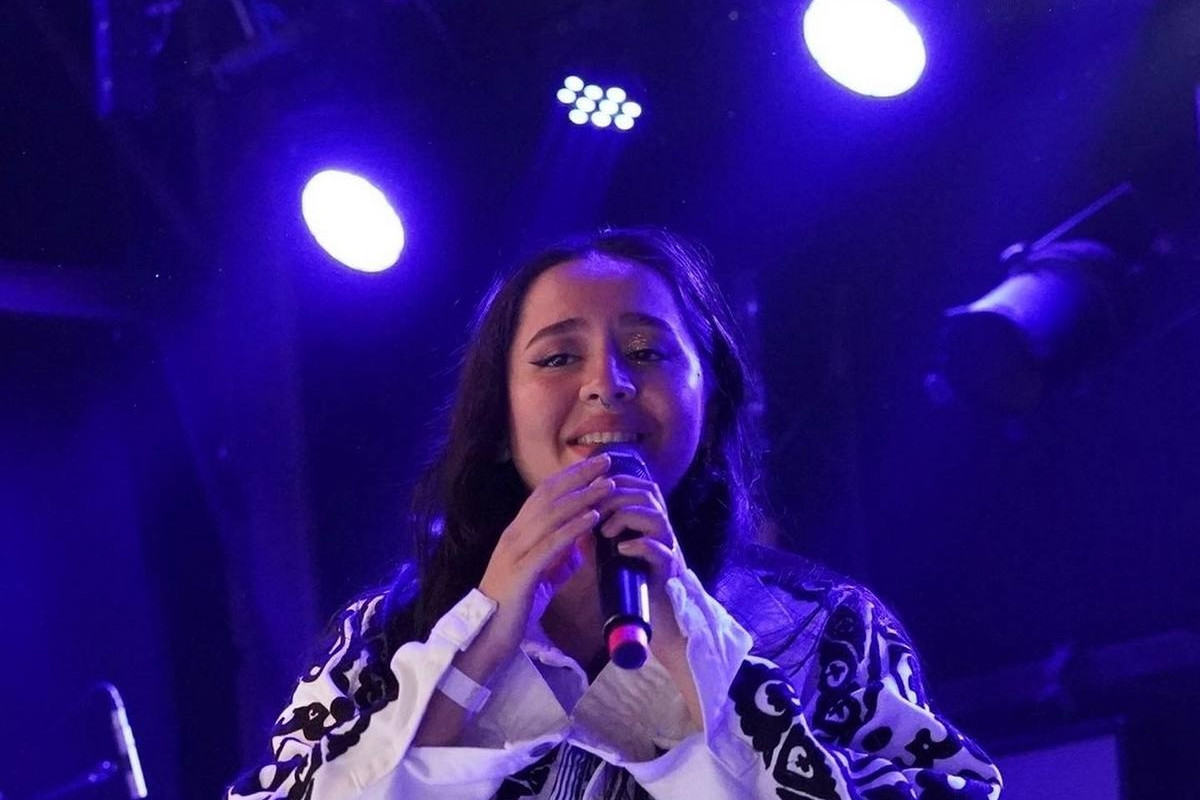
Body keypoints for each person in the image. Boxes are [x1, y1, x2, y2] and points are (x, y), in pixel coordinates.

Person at [227, 228, 1002, 800]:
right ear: (498, 419)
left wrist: (688, 646)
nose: (607, 384)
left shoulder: (823, 628)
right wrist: (477, 645)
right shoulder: (385, 634)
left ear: (710, 399)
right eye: (559, 357)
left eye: (647, 352)